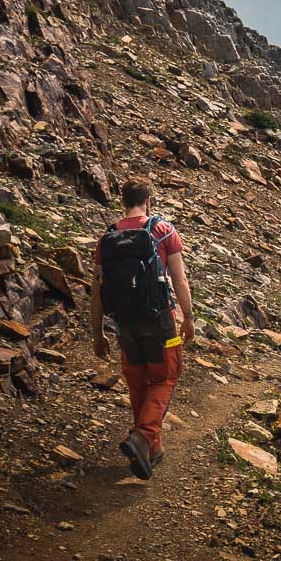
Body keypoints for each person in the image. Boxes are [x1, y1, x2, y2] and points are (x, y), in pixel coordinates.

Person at [90, 178, 194, 479]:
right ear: (148, 200)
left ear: (123, 201)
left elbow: (96, 291)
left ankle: (149, 449)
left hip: (124, 325)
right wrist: (187, 317)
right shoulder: (162, 231)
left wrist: (97, 333)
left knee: (138, 386)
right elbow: (180, 279)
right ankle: (141, 437)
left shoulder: (107, 238)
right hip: (160, 320)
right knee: (164, 379)